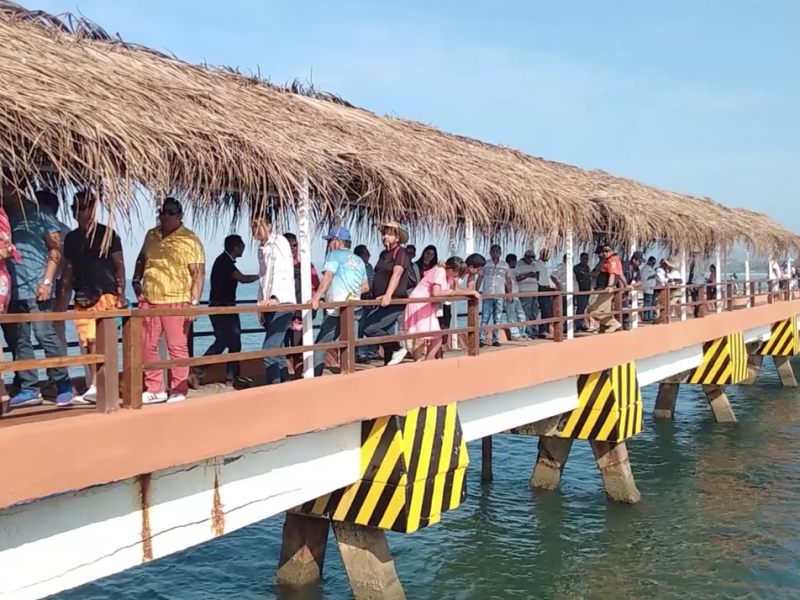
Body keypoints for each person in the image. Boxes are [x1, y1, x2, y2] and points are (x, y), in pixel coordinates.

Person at [3, 181, 72, 407]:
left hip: (37, 287)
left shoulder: (41, 212)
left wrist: (47, 281)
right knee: (19, 340)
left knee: (45, 335)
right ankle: (29, 388)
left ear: (16, 186)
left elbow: (56, 248)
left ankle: (63, 383)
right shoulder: (5, 215)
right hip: (13, 289)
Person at [133, 198, 205, 404]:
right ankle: (155, 388)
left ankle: (178, 389)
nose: (166, 216)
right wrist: (136, 280)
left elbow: (198, 273)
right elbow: (142, 258)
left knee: (177, 347)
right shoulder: (151, 235)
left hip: (177, 300)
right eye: (163, 212)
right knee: (146, 345)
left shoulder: (190, 240)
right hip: (149, 300)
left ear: (180, 215)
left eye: (171, 212)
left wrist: (194, 303)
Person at [58, 191, 127, 405]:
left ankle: (103, 385)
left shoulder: (108, 234)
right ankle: (95, 385)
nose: (79, 213)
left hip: (105, 292)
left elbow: (119, 265)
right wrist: (61, 303)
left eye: (83, 208)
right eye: (75, 208)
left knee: (101, 341)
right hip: (82, 295)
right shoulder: (71, 238)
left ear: (93, 209)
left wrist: (121, 293)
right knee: (87, 342)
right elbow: (68, 270)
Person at [198, 235, 258, 386]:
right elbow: (242, 278)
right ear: (236, 247)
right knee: (226, 341)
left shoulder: (225, 261)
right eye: (242, 244)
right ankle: (199, 369)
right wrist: (261, 276)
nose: (244, 247)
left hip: (223, 307)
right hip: (222, 308)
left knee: (231, 342)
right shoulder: (225, 262)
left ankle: (230, 376)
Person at [311, 226, 368, 376]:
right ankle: (349, 375)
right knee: (349, 343)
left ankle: (315, 377)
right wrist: (352, 293)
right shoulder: (359, 260)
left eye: (330, 240)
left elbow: (327, 277)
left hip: (337, 309)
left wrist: (316, 297)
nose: (328, 244)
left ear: (338, 241)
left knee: (320, 345)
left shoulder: (334, 255)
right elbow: (365, 287)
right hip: (354, 307)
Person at [405, 256, 480, 361]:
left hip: (429, 305)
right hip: (420, 303)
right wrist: (450, 292)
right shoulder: (440, 272)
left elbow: (455, 291)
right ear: (451, 270)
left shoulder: (449, 276)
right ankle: (417, 362)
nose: (457, 276)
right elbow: (436, 293)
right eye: (457, 273)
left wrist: (471, 291)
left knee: (437, 336)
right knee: (421, 336)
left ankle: (427, 361)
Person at [252, 214, 295, 385]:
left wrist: (274, 297)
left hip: (282, 302)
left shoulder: (279, 242)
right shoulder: (261, 249)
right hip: (270, 304)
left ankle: (275, 389)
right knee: (277, 351)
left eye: (258, 225)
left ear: (268, 226)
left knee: (269, 352)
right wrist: (260, 304)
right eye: (252, 227)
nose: (255, 230)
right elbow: (263, 278)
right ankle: (285, 385)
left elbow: (279, 272)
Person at [361, 221, 411, 366]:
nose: (385, 237)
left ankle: (398, 348)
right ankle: (390, 364)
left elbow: (397, 274)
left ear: (397, 237)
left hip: (394, 300)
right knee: (385, 332)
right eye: (384, 234)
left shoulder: (401, 252)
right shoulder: (384, 254)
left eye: (389, 234)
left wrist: (388, 295)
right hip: (380, 300)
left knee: (369, 328)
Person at [36, 191, 72, 347]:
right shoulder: (65, 231)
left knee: (51, 330)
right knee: (55, 330)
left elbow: (67, 264)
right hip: (57, 284)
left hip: (53, 284)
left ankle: (59, 367)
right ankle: (60, 367)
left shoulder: (63, 232)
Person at [283, 233, 320, 375]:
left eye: (295, 245)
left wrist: (315, 300)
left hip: (301, 312)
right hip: (283, 310)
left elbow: (316, 285)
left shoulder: (306, 265)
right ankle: (284, 376)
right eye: (289, 245)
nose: (293, 248)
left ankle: (299, 376)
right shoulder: (280, 266)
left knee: (299, 345)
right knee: (282, 346)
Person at [477, 244, 511, 347]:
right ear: (490, 253)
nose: (495, 254)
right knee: (485, 318)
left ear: (500, 253)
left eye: (497, 252)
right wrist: (476, 291)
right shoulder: (485, 264)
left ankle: (495, 339)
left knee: (498, 317)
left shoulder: (504, 265)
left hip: (499, 294)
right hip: (487, 294)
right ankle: (482, 339)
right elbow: (480, 278)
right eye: (493, 251)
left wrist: (509, 293)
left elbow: (508, 280)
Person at [587, 243, 623, 334]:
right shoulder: (612, 260)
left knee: (591, 310)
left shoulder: (612, 261)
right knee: (605, 310)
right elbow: (620, 274)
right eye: (603, 251)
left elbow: (612, 274)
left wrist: (610, 286)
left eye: (607, 251)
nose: (604, 253)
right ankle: (606, 327)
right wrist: (626, 285)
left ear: (611, 251)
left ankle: (613, 323)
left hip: (603, 289)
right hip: (603, 288)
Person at [353, 244, 378, 363]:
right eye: (366, 253)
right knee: (359, 328)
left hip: (370, 300)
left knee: (370, 327)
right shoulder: (356, 267)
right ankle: (360, 354)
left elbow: (373, 281)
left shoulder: (369, 266)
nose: (369, 256)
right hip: (360, 299)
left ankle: (372, 352)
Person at [515, 249, 540, 338]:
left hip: (534, 291)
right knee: (526, 312)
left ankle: (533, 329)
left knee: (534, 312)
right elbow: (516, 278)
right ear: (526, 257)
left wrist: (534, 275)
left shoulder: (534, 265)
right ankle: (528, 331)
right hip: (524, 292)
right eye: (530, 258)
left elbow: (538, 276)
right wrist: (528, 275)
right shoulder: (519, 265)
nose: (531, 260)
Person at [504, 253, 528, 340]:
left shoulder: (512, 271)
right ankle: (514, 334)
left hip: (516, 296)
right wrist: (508, 294)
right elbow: (506, 283)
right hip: (510, 296)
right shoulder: (506, 271)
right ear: (512, 262)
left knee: (521, 314)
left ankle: (522, 332)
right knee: (511, 315)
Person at [533, 249, 554, 338]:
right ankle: (542, 329)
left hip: (545, 287)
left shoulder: (543, 264)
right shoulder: (537, 263)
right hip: (541, 287)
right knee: (544, 309)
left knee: (547, 309)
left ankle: (545, 328)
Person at [573, 252, 592, 331]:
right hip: (580, 290)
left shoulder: (587, 267)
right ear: (580, 259)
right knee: (580, 308)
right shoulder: (576, 267)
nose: (585, 260)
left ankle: (581, 324)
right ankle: (578, 325)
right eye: (583, 259)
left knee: (583, 308)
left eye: (586, 259)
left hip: (587, 289)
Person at [639, 256, 657, 322]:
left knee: (651, 303)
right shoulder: (645, 269)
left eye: (654, 263)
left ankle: (650, 316)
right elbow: (643, 279)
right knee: (647, 303)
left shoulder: (651, 269)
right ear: (649, 261)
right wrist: (652, 276)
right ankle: (646, 317)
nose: (653, 264)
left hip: (652, 289)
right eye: (652, 262)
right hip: (647, 289)